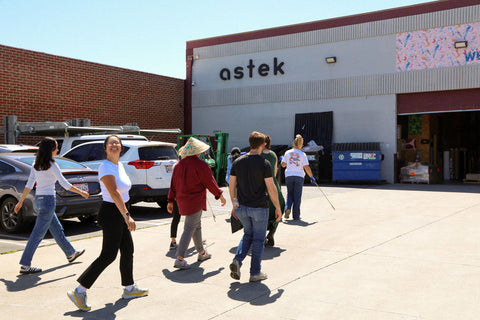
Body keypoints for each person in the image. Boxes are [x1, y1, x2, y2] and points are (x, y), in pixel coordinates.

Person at [68, 135, 148, 312]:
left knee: (128, 249)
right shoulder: (105, 167)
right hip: (112, 212)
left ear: (121, 147)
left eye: (117, 143)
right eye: (110, 143)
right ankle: (79, 290)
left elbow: (123, 192)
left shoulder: (119, 165)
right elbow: (113, 192)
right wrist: (127, 215)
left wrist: (126, 213)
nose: (114, 145)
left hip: (120, 210)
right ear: (105, 148)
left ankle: (129, 287)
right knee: (108, 255)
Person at [14, 137, 89, 274]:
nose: (58, 150)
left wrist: (20, 202)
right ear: (50, 150)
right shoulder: (52, 165)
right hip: (48, 202)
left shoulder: (36, 165)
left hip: (38, 202)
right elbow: (65, 184)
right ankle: (25, 265)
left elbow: (29, 185)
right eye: (56, 147)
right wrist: (81, 192)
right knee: (37, 234)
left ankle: (70, 253)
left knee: (56, 228)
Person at [229, 131, 281, 282]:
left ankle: (237, 261)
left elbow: (231, 185)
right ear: (263, 145)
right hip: (259, 208)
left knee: (247, 235)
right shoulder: (264, 164)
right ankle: (255, 272)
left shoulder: (237, 162)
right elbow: (271, 188)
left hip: (242, 207)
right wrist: (277, 207)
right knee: (258, 240)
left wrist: (234, 204)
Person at [167, 137, 226, 270]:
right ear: (198, 152)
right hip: (195, 201)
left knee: (196, 226)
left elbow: (173, 186)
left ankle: (202, 253)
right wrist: (219, 195)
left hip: (182, 201)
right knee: (189, 228)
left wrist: (170, 201)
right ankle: (179, 258)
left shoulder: (178, 165)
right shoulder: (201, 165)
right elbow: (210, 183)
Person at [281, 134, 315, 220]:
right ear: (300, 144)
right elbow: (306, 167)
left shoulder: (287, 153)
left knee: (290, 194)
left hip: (289, 176)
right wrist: (311, 177)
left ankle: (287, 208)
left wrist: (282, 159)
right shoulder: (302, 154)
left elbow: (283, 165)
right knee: (297, 196)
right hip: (299, 176)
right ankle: (296, 216)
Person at [261, 135, 285, 246]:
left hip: (262, 185)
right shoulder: (273, 154)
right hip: (273, 184)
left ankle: (261, 235)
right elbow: (275, 173)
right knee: (279, 207)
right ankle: (272, 232)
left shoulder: (258, 155)